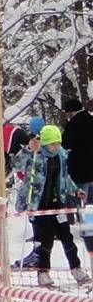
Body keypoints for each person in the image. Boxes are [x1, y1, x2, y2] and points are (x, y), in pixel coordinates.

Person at [16, 125, 86, 287]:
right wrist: (27, 149)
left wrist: (75, 191)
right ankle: (43, 272)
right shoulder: (35, 155)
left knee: (66, 236)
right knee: (45, 238)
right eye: (52, 144)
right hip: (38, 204)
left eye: (58, 143)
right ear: (45, 143)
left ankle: (76, 268)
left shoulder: (60, 156)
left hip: (57, 203)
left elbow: (64, 178)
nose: (55, 147)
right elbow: (16, 165)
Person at [63, 93, 93, 254]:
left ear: (71, 112)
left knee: (82, 202)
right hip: (92, 171)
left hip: (79, 171)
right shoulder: (91, 120)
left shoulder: (74, 124)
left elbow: (66, 143)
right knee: (91, 203)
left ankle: (84, 229)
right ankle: (90, 229)